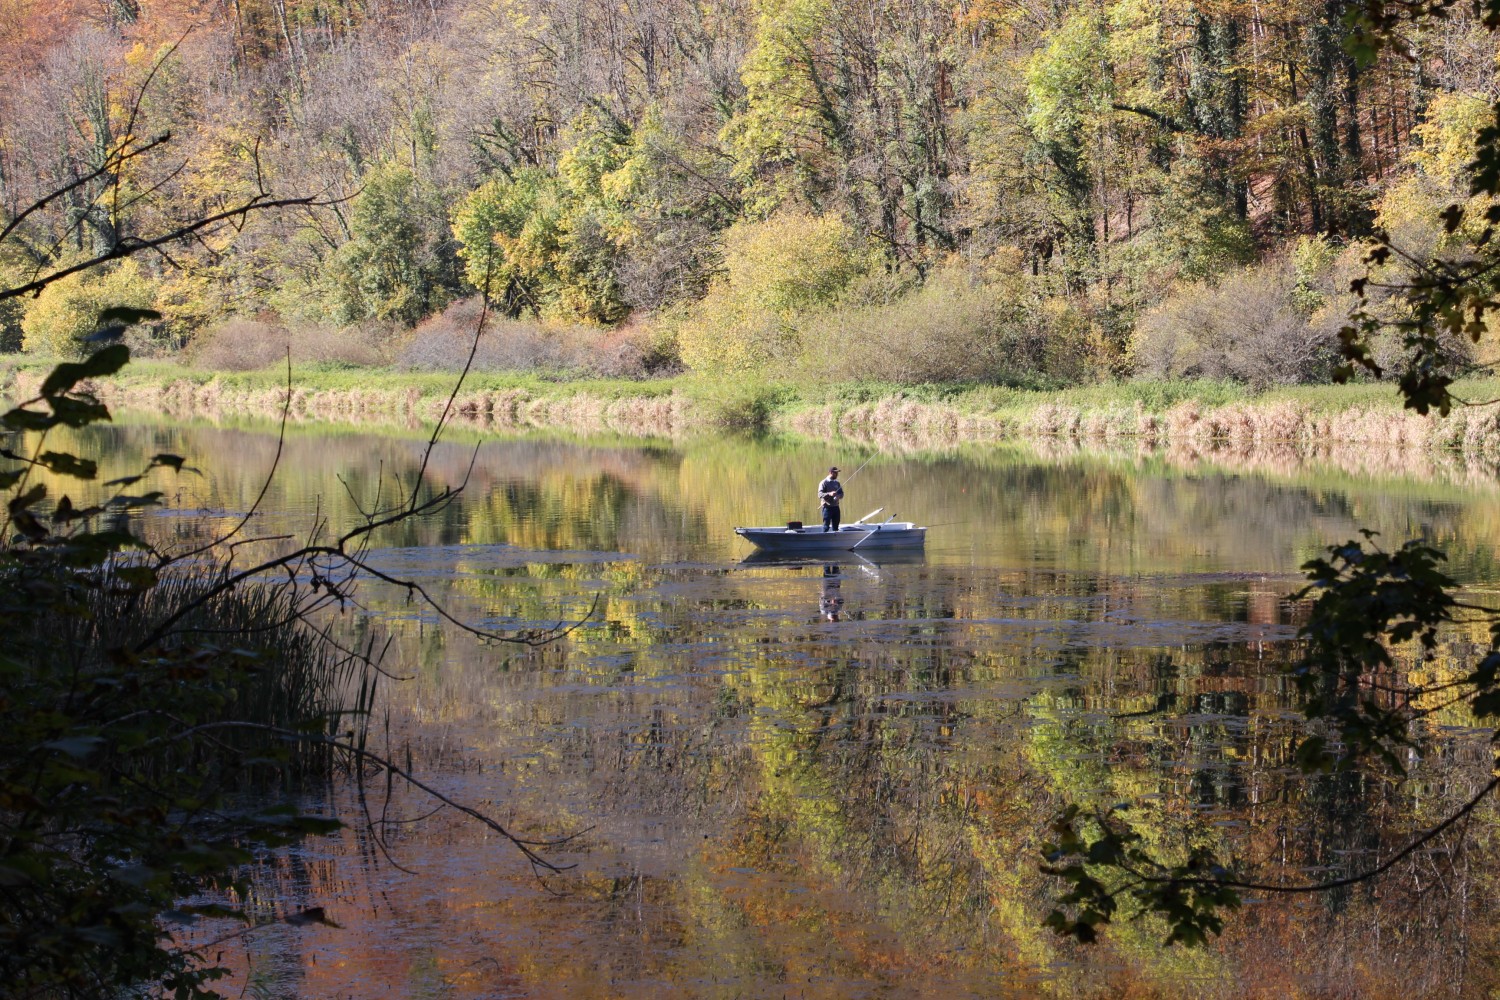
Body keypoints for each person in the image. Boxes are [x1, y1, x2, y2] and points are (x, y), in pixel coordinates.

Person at [817, 466, 843, 532]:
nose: (837, 474)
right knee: (826, 526)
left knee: (836, 527)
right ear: (831, 472)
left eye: (837, 473)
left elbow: (842, 494)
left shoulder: (837, 483)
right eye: (835, 473)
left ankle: (835, 541)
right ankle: (824, 540)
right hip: (827, 508)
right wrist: (829, 494)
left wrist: (838, 496)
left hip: (836, 507)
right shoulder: (823, 482)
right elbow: (819, 494)